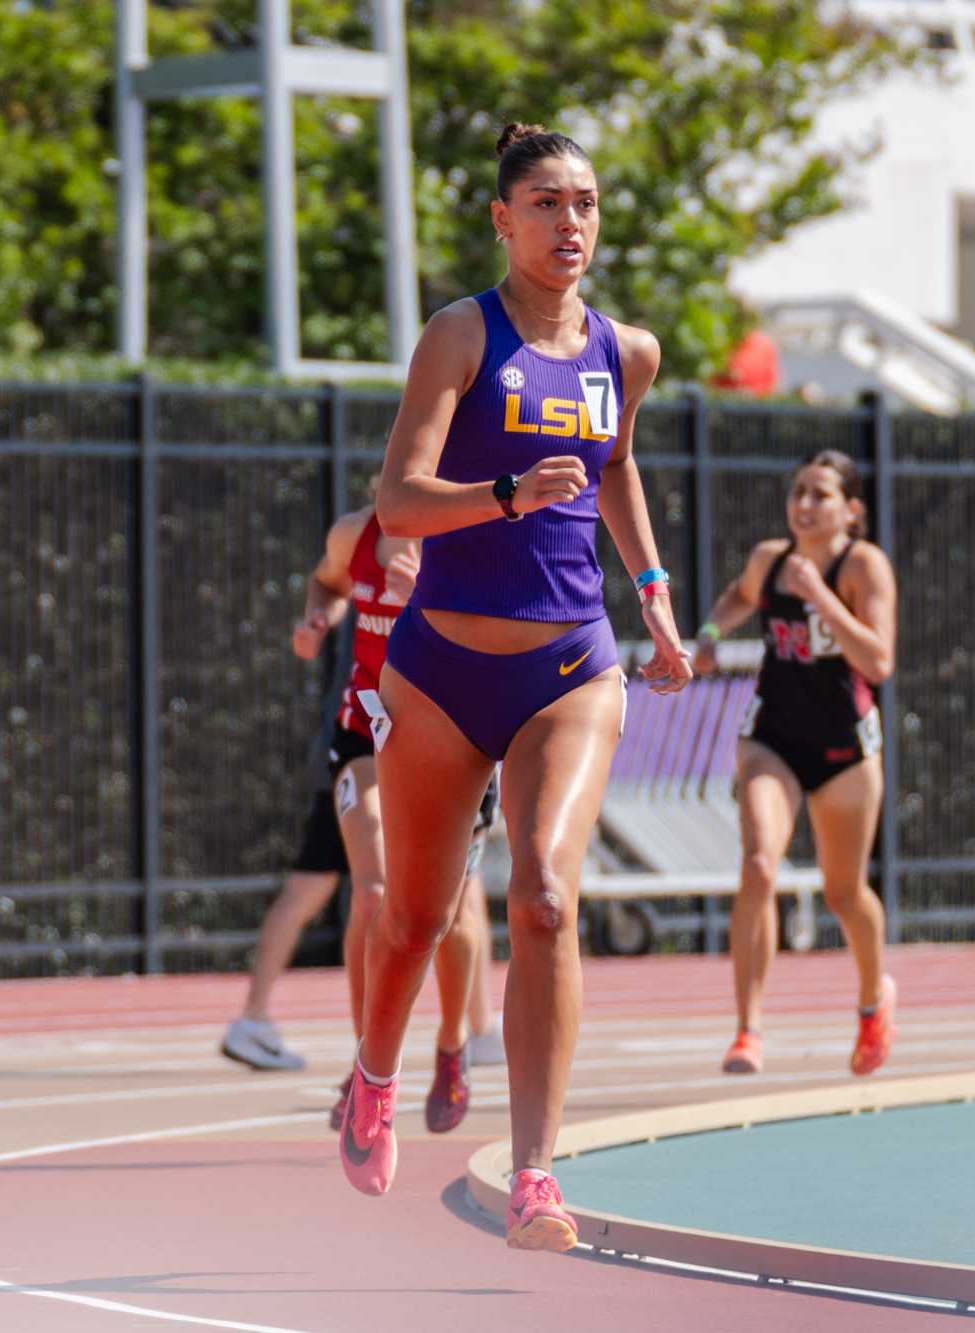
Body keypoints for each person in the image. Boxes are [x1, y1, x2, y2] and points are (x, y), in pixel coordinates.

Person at [337, 121, 691, 1256]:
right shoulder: (459, 334)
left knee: (542, 896)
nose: (569, 221)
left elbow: (618, 463)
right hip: (440, 669)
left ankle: (536, 1171)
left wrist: (653, 594)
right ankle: (372, 1078)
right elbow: (395, 502)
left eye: (583, 201)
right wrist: (501, 495)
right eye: (544, 201)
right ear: (501, 218)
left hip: (568, 665)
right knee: (414, 920)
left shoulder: (623, 350)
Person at [221, 503, 502, 1137]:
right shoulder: (353, 533)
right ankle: (366, 1064)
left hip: (452, 737)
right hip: (366, 733)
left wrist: (429, 598)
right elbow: (327, 579)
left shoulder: (465, 538)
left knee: (450, 913)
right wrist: (317, 616)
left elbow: (499, 637)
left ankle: (453, 1046)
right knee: (372, 892)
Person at [691, 449, 899, 1079]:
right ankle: (748, 1031)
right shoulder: (770, 559)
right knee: (758, 864)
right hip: (773, 738)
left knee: (843, 891)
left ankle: (872, 1003)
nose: (804, 505)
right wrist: (710, 635)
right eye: (798, 492)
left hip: (843, 748)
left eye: (820, 495)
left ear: (851, 511)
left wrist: (821, 599)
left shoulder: (863, 565)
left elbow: (879, 662)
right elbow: (737, 595)